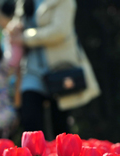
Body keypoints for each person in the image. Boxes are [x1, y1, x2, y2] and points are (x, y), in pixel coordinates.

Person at [9, 0, 100, 136]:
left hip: (60, 69)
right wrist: (14, 28)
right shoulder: (24, 2)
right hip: (31, 70)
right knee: (30, 122)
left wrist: (25, 37)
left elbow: (60, 31)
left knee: (60, 125)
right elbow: (17, 23)